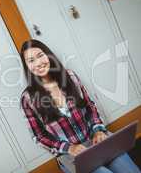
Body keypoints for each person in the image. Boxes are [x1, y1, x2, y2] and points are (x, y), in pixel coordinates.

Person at [19, 39, 141, 173]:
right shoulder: (27, 99)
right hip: (70, 155)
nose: (38, 63)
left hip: (96, 139)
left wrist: (98, 130)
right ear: (27, 66)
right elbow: (39, 137)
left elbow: (90, 106)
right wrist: (69, 148)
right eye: (31, 61)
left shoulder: (70, 76)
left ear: (48, 55)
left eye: (40, 55)